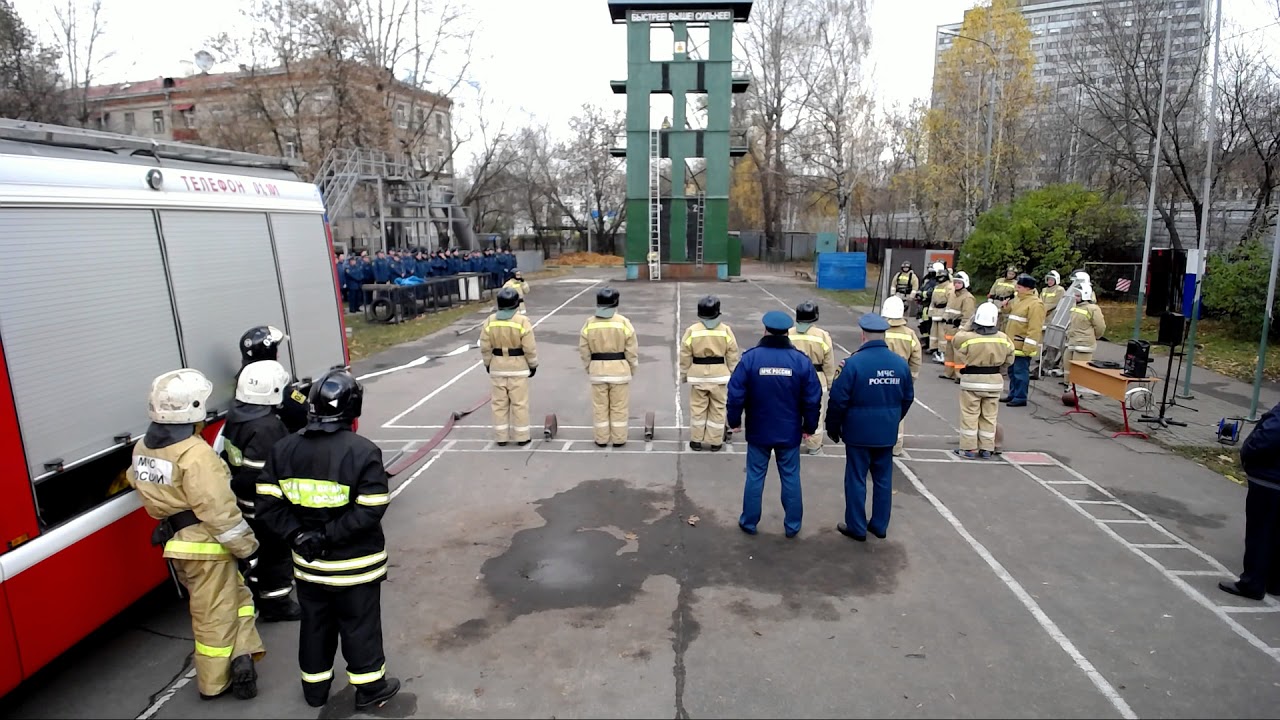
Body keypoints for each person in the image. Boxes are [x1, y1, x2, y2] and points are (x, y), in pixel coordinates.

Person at [255, 369, 401, 711]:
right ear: (353, 409)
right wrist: (327, 535)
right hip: (355, 566)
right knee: (359, 626)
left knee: (315, 626)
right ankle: (370, 689)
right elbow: (371, 508)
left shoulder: (283, 449)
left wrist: (299, 536)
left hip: (310, 568)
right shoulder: (362, 452)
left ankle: (315, 689)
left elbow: (266, 503)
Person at [128, 369, 264, 701]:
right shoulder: (195, 454)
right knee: (213, 613)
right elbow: (218, 511)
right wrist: (247, 548)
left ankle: (242, 656)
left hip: (178, 543)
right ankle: (214, 682)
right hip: (208, 546)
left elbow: (136, 480)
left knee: (238, 599)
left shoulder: (143, 447)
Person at [726, 311, 823, 538]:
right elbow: (812, 398)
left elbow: (735, 393)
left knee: (755, 475)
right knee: (790, 476)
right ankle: (792, 526)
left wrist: (734, 421)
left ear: (765, 330)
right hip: (789, 431)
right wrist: (809, 426)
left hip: (759, 429)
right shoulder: (800, 361)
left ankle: (749, 522)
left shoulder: (751, 358)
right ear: (788, 331)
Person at [221, 360, 301, 623]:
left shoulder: (235, 417)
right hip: (266, 505)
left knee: (258, 553)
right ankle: (277, 603)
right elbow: (265, 473)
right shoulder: (267, 427)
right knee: (276, 555)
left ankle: (257, 593)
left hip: (245, 502)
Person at [826, 313, 914, 540]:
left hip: (858, 433)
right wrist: (893, 419)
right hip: (886, 432)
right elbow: (907, 398)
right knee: (883, 480)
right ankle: (879, 525)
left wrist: (833, 427)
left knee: (856, 479)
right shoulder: (900, 364)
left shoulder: (852, 364)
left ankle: (856, 527)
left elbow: (838, 400)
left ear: (863, 335)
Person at [1218, 400, 1280, 601]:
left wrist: (1248, 452)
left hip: (1270, 478)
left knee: (1260, 532)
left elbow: (1270, 435)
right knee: (1277, 533)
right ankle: (1274, 582)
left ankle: (1252, 583)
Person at [952, 302, 1015, 460]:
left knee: (970, 415)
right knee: (989, 416)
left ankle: (968, 448)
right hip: (994, 381)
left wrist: (968, 325)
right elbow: (1010, 359)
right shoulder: (1003, 339)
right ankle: (987, 448)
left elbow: (956, 340)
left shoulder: (968, 338)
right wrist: (999, 370)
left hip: (972, 381)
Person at [579, 288, 639, 447]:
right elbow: (631, 350)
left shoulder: (589, 323)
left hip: (597, 371)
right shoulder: (623, 323)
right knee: (619, 407)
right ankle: (619, 439)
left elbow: (584, 351)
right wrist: (631, 368)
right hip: (620, 370)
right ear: (616, 302)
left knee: (600, 407)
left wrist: (590, 367)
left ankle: (601, 438)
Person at [680, 295, 740, 452]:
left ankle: (696, 440)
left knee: (698, 408)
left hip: (698, 374)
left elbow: (685, 354)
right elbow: (732, 354)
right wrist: (735, 374)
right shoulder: (725, 330)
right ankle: (715, 442)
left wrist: (684, 374)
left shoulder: (692, 331)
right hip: (720, 375)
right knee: (718, 408)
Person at [479, 288, 539, 446]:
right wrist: (533, 364)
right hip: (518, 367)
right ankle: (522, 436)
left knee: (499, 404)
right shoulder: (522, 321)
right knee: (519, 403)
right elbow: (529, 347)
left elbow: (485, 347)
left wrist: (487, 363)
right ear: (515, 304)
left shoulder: (490, 321)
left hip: (497, 366)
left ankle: (501, 437)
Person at [237, 325, 310, 433]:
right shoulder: (276, 385)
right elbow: (303, 406)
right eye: (275, 350)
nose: (278, 355)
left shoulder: (243, 380)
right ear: (268, 352)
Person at [788, 301, 835, 455]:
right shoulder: (822, 336)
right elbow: (828, 363)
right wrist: (830, 383)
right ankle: (814, 445)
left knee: (792, 410)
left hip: (792, 379)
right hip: (816, 378)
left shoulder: (789, 333)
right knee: (816, 412)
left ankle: (790, 440)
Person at [880, 296, 921, 456]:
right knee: (897, 411)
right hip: (900, 377)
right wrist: (911, 378)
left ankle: (877, 441)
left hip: (878, 375)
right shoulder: (909, 334)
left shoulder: (880, 331)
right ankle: (896, 446)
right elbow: (916, 358)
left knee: (877, 409)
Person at [1003, 275, 1046, 408]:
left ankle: (1020, 397)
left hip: (1022, 345)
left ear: (1028, 288)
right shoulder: (1018, 299)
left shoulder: (1035, 304)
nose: (1016, 288)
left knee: (1020, 372)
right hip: (1012, 343)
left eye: (1019, 287)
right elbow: (1012, 315)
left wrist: (1028, 347)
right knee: (1012, 371)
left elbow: (1035, 328)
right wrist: (1005, 307)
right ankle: (1013, 393)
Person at [1064, 283, 1106, 389]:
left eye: (1078, 295)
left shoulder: (1093, 309)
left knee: (1080, 369)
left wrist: (1095, 337)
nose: (1075, 297)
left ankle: (1077, 389)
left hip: (1084, 345)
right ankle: (1069, 386)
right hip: (1072, 342)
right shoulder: (1074, 307)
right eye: (1075, 295)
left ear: (1085, 295)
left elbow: (1100, 327)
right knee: (1067, 366)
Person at [941, 271, 976, 381]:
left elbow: (967, 316)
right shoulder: (952, 295)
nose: (956, 285)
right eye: (955, 282)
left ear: (965, 284)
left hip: (958, 329)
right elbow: (948, 310)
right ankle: (948, 373)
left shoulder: (968, 298)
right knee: (949, 353)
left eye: (959, 283)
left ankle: (960, 375)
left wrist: (962, 330)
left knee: (959, 355)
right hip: (950, 328)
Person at [927, 264, 952, 362]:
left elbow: (950, 302)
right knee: (934, 333)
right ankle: (936, 350)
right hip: (935, 313)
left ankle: (943, 352)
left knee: (942, 335)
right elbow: (933, 300)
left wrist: (946, 315)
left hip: (943, 313)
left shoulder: (949, 287)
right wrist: (930, 311)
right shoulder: (937, 287)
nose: (940, 279)